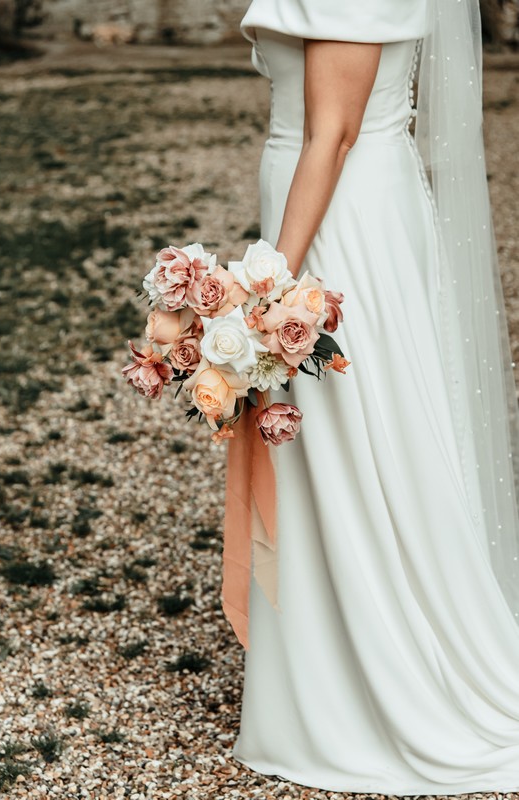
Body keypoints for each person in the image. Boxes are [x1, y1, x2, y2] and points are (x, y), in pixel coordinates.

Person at [228, 0, 519, 794]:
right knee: (321, 449)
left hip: (342, 222)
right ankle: (326, 688)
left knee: (358, 439)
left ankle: (384, 681)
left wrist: (267, 287)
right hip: (322, 208)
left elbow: (336, 133)